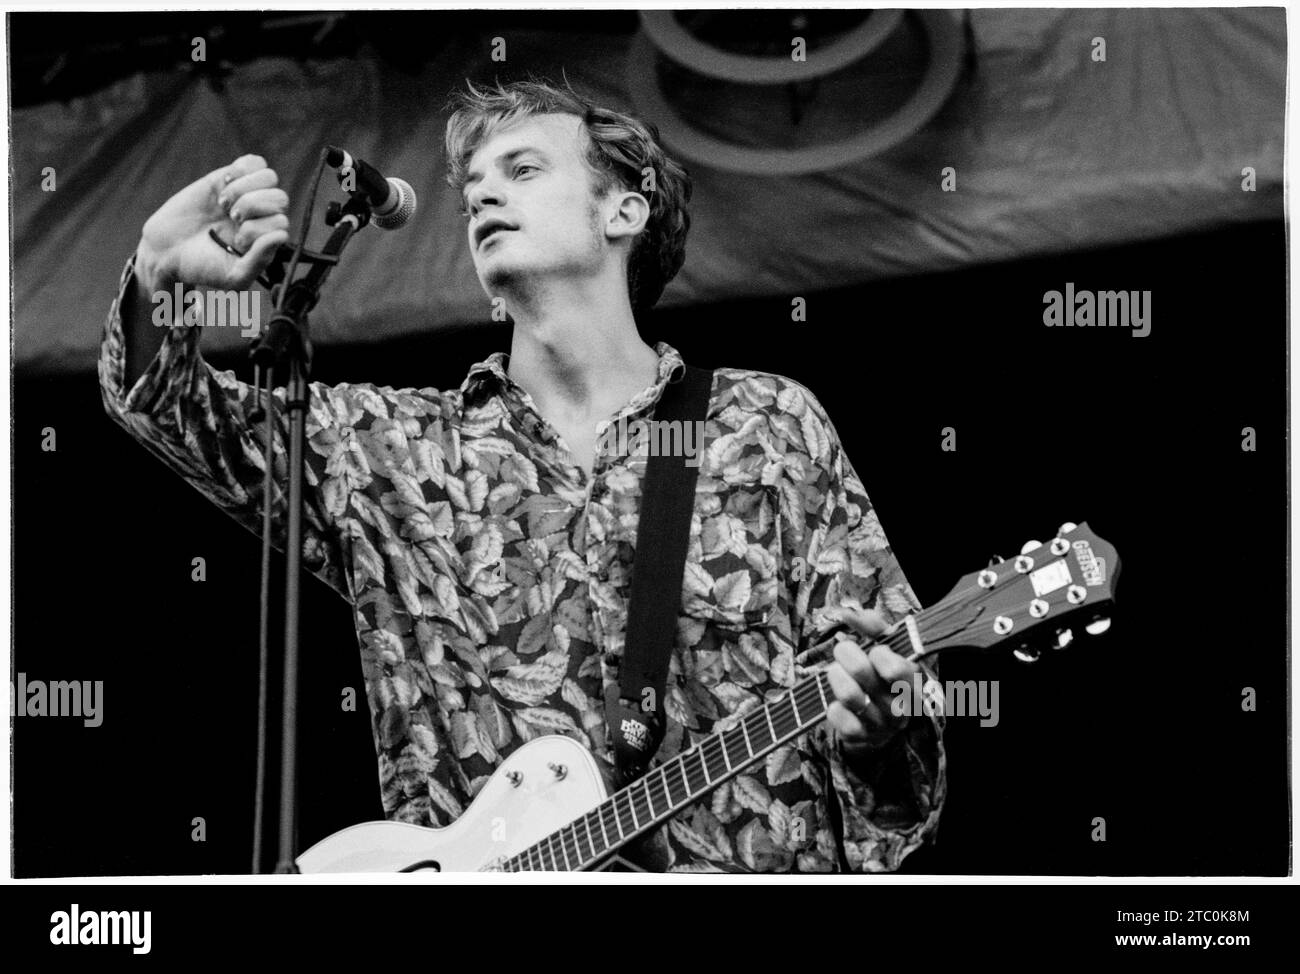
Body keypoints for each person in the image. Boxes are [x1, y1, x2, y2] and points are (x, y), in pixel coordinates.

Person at [99, 78, 945, 872]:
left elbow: (896, 714)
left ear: (625, 209)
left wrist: (877, 730)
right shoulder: (392, 453)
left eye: (523, 168)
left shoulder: (765, 426)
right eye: (472, 185)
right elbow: (170, 413)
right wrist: (160, 282)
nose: (481, 195)